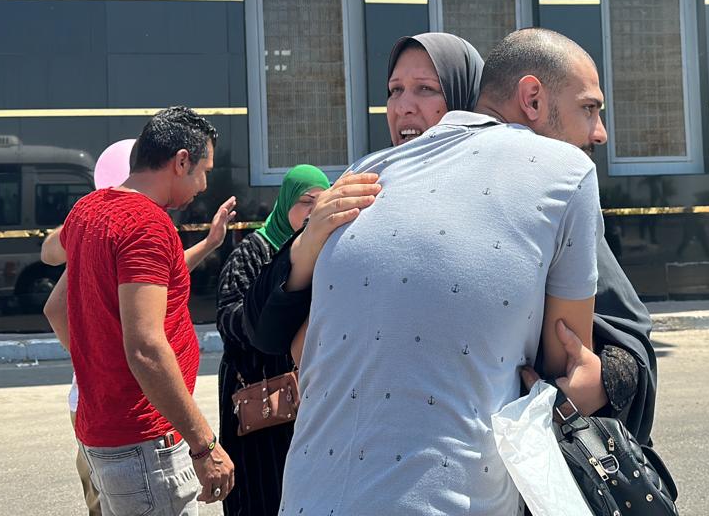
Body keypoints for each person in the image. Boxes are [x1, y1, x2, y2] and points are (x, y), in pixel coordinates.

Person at [247, 31, 659, 444]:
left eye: (426, 90)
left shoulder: (542, 198)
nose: (404, 106)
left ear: (467, 102)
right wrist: (308, 242)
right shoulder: (367, 189)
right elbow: (268, 332)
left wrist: (602, 383)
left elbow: (624, 337)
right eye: (394, 90)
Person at [41, 106, 235, 516]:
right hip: (146, 444)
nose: (204, 185)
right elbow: (147, 348)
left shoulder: (88, 211)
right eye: (204, 171)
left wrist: (102, 366)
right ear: (181, 161)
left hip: (106, 433)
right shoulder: (147, 225)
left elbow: (56, 307)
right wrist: (205, 446)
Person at [213, 164, 329, 516]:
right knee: (260, 490)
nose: (313, 210)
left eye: (321, 202)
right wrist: (271, 321)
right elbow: (228, 317)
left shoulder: (323, 251)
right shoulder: (253, 252)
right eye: (306, 201)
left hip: (301, 398)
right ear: (286, 203)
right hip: (257, 395)